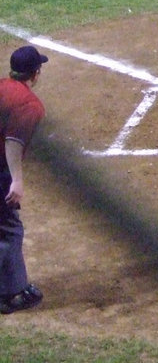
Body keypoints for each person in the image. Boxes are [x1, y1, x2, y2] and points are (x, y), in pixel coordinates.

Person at [0, 46, 48, 315]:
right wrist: (16, 180)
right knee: (8, 230)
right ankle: (11, 294)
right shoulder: (30, 105)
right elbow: (13, 142)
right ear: (35, 73)